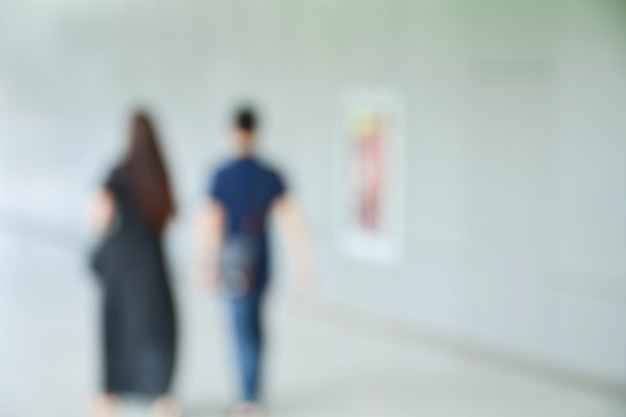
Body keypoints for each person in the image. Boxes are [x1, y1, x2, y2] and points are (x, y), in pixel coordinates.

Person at [192, 106, 316, 417]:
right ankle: (252, 393)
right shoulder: (270, 174)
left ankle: (247, 398)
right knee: (256, 326)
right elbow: (291, 219)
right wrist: (303, 259)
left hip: (236, 261)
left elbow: (211, 221)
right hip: (263, 259)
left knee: (241, 327)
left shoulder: (222, 174)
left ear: (232, 132)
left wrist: (206, 261)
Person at [87, 111, 179, 417]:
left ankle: (110, 395)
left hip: (122, 267)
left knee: (119, 331)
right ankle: (161, 397)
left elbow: (99, 218)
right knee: (157, 331)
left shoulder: (118, 174)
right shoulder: (160, 175)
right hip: (152, 266)